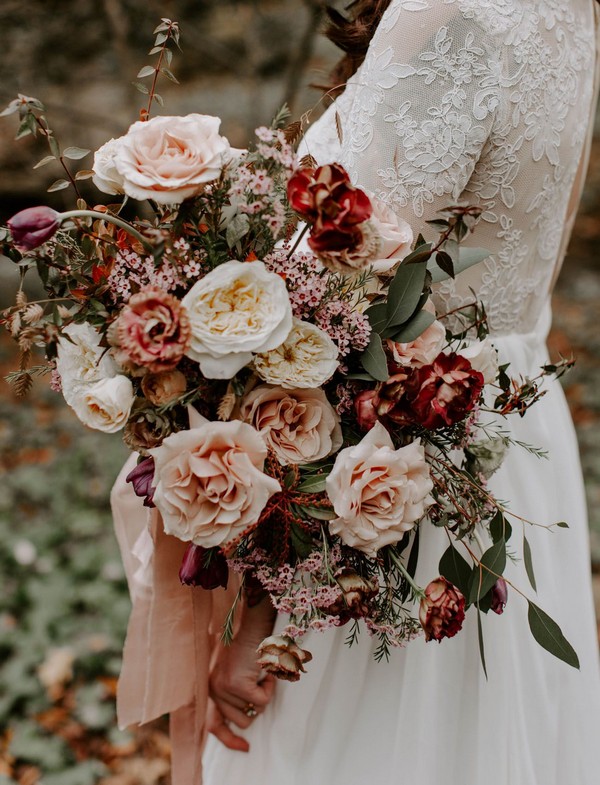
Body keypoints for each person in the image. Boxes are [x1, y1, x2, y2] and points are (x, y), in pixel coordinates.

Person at [111, 1, 600, 783]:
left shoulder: (453, 14)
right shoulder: (570, 11)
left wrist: (254, 621)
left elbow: (329, 312)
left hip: (391, 483)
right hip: (511, 442)